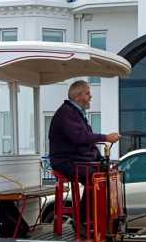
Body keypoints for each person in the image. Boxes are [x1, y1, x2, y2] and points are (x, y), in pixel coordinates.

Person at [48, 80, 120, 234]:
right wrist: (106, 137)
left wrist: (101, 160)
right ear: (77, 96)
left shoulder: (76, 113)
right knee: (95, 178)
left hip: (77, 160)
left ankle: (103, 219)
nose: (91, 97)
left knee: (108, 173)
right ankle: (81, 220)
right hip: (65, 162)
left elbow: (88, 142)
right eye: (88, 93)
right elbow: (81, 137)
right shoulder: (66, 113)